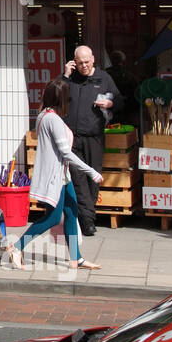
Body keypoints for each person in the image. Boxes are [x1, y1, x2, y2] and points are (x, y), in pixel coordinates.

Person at [7, 78, 102, 271]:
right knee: (52, 218)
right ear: (63, 100)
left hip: (62, 175)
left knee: (71, 212)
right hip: (56, 177)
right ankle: (16, 247)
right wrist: (91, 171)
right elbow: (66, 152)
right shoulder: (53, 120)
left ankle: (76, 259)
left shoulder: (44, 115)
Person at [62, 45, 121, 236]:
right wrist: (64, 76)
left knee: (93, 179)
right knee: (78, 179)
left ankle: (86, 216)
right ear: (74, 62)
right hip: (73, 138)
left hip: (94, 137)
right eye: (80, 63)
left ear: (93, 59)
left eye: (87, 62)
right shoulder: (69, 79)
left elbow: (121, 100)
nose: (84, 66)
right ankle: (87, 222)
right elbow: (54, 94)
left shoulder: (104, 78)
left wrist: (111, 103)